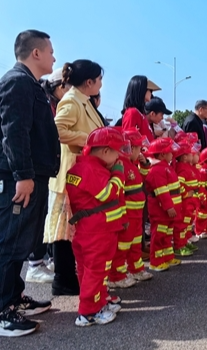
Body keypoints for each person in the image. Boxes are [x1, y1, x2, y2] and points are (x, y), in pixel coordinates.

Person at [0, 30, 60, 337]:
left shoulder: (31, 85)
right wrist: (22, 175)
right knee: (10, 242)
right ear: (35, 53)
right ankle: (3, 309)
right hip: (19, 178)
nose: (54, 57)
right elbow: (14, 133)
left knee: (24, 240)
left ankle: (13, 296)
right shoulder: (17, 82)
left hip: (33, 176)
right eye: (50, 51)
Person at [47, 60, 105, 298]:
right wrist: (87, 139)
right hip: (70, 174)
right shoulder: (72, 101)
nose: (101, 84)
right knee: (65, 230)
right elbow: (57, 130)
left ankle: (72, 278)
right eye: (99, 79)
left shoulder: (83, 100)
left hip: (82, 174)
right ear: (89, 82)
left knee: (76, 228)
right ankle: (63, 280)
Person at [66, 127, 128, 327]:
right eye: (117, 151)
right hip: (98, 232)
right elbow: (107, 194)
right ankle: (89, 312)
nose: (119, 157)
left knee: (89, 271)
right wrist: (118, 175)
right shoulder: (92, 169)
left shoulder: (81, 168)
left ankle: (98, 302)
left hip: (89, 230)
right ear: (105, 151)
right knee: (96, 271)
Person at [26, 68, 70, 285]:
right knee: (43, 217)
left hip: (50, 168)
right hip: (41, 169)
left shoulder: (55, 103)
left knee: (50, 216)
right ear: (60, 87)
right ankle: (35, 264)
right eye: (68, 87)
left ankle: (48, 259)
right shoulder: (47, 103)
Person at [107, 129, 153, 289]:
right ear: (131, 149)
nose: (141, 152)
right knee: (122, 246)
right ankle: (117, 276)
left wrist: (145, 163)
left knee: (134, 245)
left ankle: (136, 269)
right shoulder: (120, 165)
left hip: (137, 215)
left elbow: (143, 178)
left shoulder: (132, 164)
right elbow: (118, 193)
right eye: (139, 148)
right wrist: (123, 217)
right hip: (127, 215)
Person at [145, 138, 182, 272]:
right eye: (170, 152)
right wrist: (169, 207)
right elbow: (161, 191)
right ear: (162, 154)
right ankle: (156, 261)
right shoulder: (157, 170)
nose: (172, 154)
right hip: (161, 211)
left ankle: (167, 257)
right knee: (159, 236)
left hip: (169, 211)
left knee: (166, 235)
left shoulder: (165, 167)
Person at [173, 143, 198, 257]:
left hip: (190, 200)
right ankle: (179, 246)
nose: (193, 155)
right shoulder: (182, 168)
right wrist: (185, 194)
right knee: (182, 224)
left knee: (187, 223)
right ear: (184, 157)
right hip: (185, 201)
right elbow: (179, 183)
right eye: (190, 153)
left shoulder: (187, 166)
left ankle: (185, 241)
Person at [119, 75, 161, 141]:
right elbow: (128, 141)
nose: (151, 94)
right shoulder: (132, 113)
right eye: (150, 90)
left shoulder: (140, 114)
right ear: (142, 90)